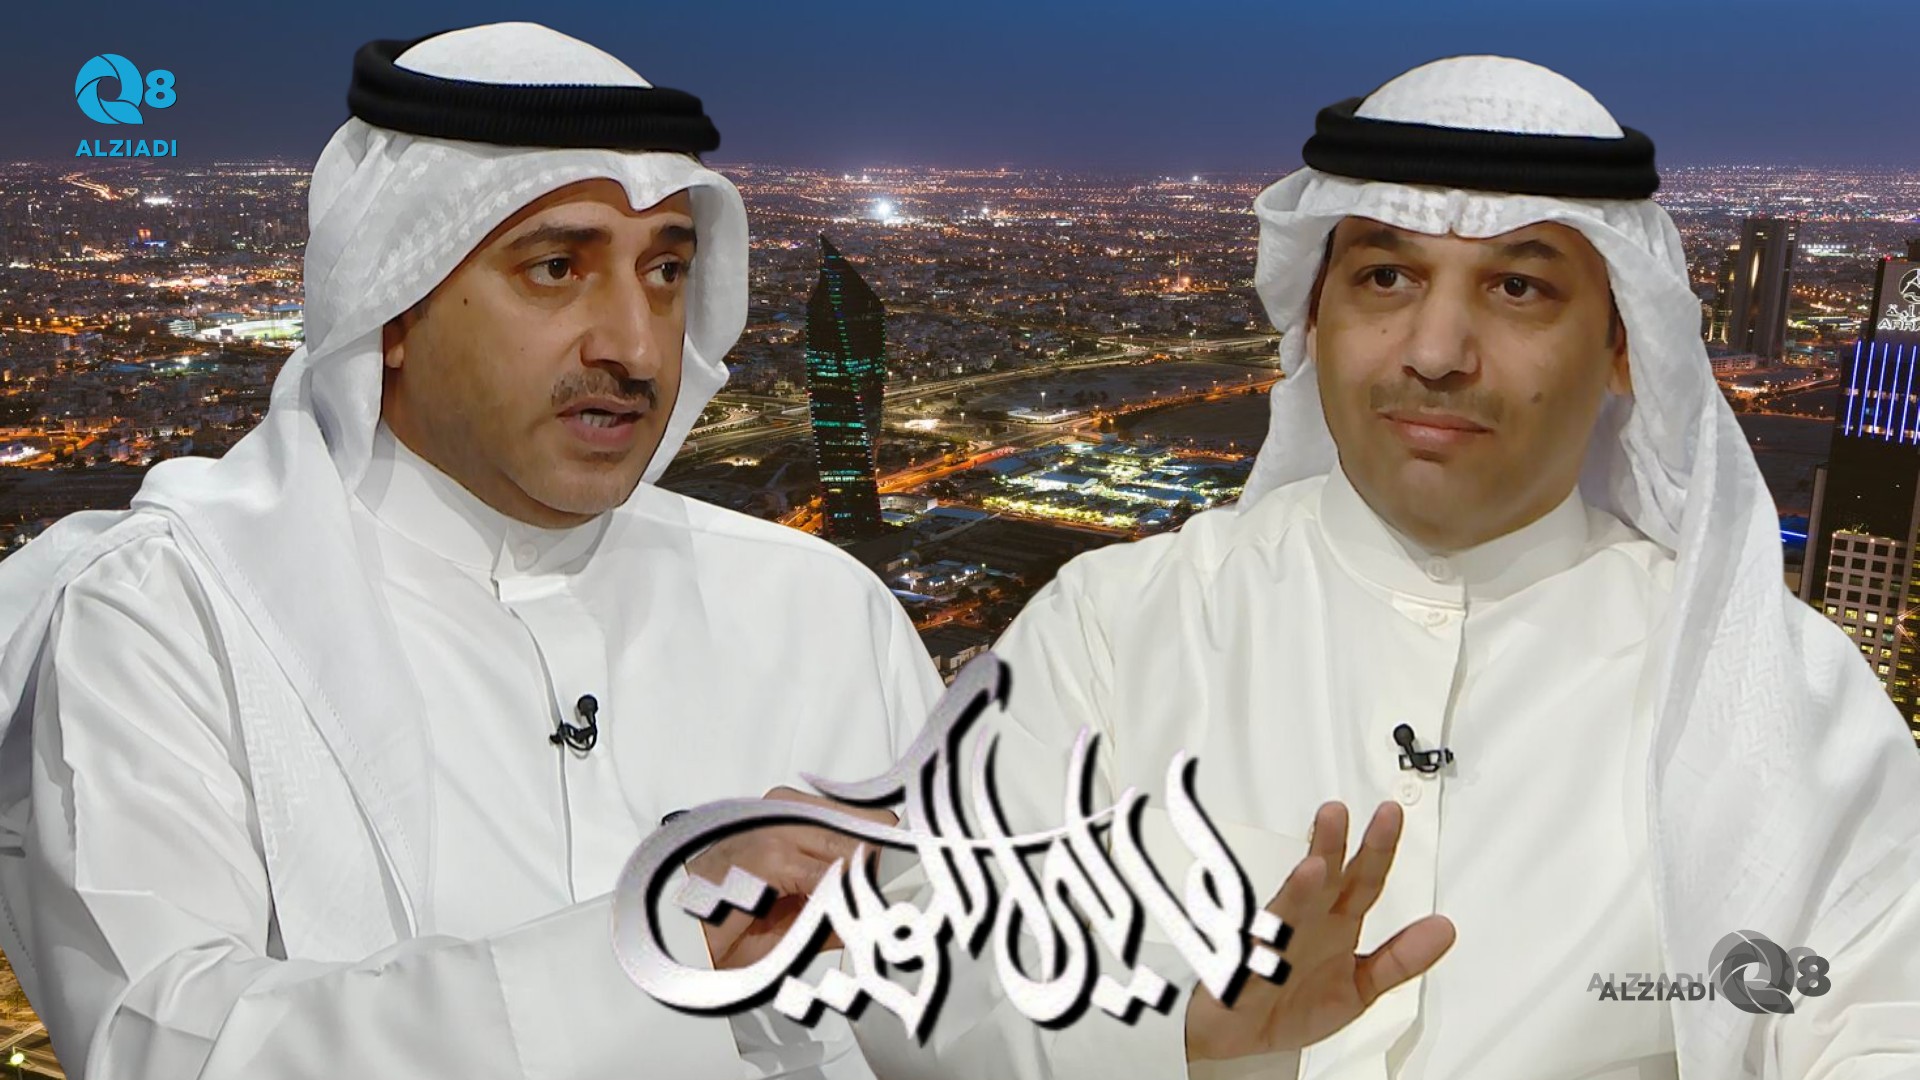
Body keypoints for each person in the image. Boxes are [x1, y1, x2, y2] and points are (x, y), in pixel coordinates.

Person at [857, 56, 1920, 1079]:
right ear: (1315, 316)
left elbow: (1886, 1019)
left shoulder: (1776, 687)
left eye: (1518, 287)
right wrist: (1173, 1032)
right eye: (1385, 277)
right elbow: (911, 969)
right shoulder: (1114, 628)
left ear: (1622, 347)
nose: (1437, 350)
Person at [0, 23, 941, 1080]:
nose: (637, 347)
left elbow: (965, 1006)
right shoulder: (173, 616)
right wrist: (661, 940)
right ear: (393, 303)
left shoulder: (823, 610)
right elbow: (165, 1044)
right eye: (556, 269)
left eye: (667, 272)